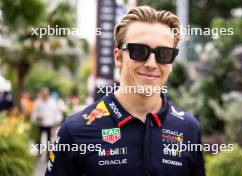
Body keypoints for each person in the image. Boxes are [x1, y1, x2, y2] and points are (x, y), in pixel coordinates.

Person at [45, 6, 205, 176]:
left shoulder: (189, 129)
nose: (151, 63)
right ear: (118, 57)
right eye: (138, 51)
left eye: (163, 54)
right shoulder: (75, 130)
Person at [31, 87, 62, 156]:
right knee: (38, 138)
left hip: (49, 123)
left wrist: (56, 123)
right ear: (41, 94)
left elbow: (56, 112)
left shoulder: (52, 102)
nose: (45, 95)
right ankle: (39, 152)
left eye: (46, 94)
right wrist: (36, 118)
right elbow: (34, 113)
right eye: (43, 94)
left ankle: (48, 153)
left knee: (49, 139)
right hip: (40, 124)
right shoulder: (37, 102)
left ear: (48, 94)